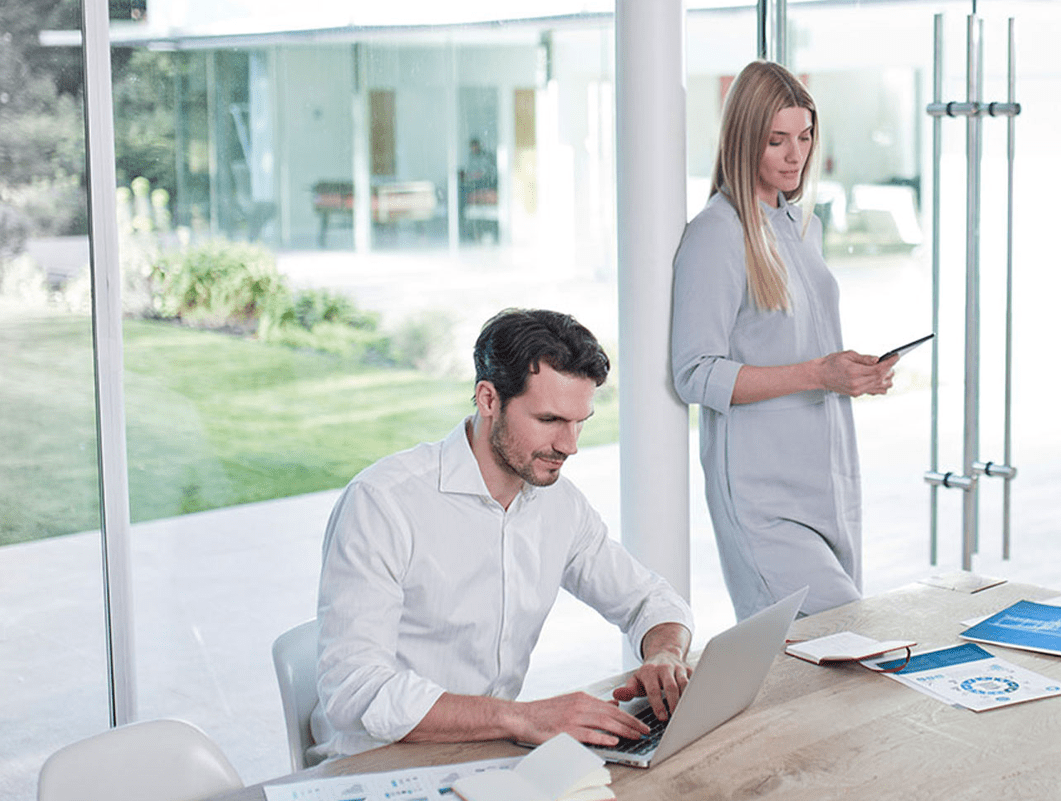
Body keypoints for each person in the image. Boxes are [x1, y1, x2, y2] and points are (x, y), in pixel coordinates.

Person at [310, 308, 694, 761]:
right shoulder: (383, 503)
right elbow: (354, 691)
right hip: (379, 762)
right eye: (550, 421)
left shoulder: (559, 505)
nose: (569, 446)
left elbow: (649, 599)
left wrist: (664, 654)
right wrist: (522, 718)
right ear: (488, 400)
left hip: (490, 756)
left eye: (580, 422)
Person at [670, 61, 896, 621]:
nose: (795, 155)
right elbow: (695, 371)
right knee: (840, 639)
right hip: (761, 497)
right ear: (744, 140)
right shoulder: (716, 234)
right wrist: (820, 374)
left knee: (825, 665)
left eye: (804, 137)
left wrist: (855, 373)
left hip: (829, 484)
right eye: (777, 140)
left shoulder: (802, 227)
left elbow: (807, 346)